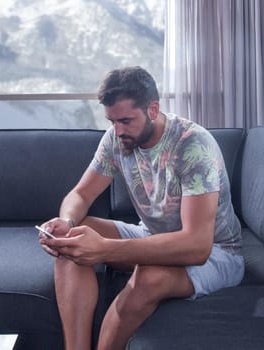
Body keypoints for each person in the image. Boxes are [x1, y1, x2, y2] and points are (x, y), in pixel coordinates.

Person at [39, 66, 243, 350]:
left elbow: (197, 246)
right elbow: (81, 194)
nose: (117, 130)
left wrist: (104, 249)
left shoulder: (192, 145)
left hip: (216, 254)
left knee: (148, 277)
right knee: (70, 240)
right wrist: (67, 222)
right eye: (112, 121)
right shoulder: (116, 138)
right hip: (151, 235)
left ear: (153, 109)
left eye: (125, 120)